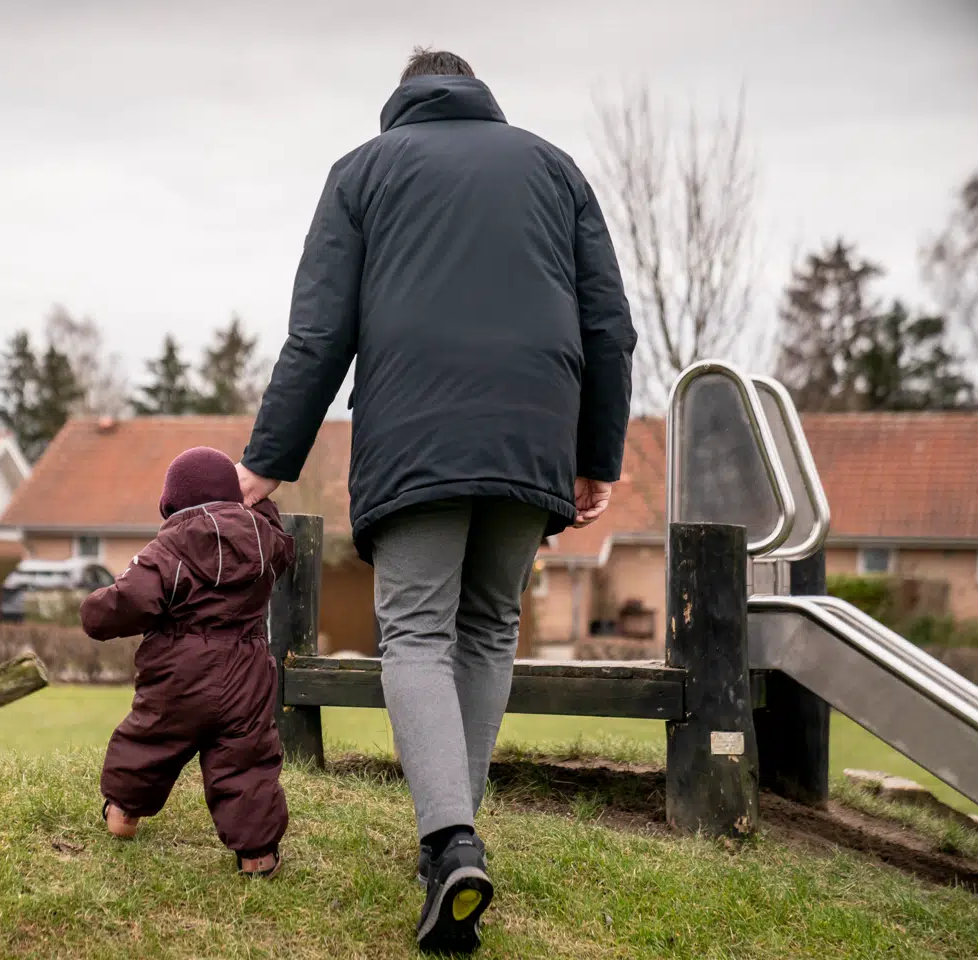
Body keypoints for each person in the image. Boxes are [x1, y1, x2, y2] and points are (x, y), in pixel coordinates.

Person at [236, 48, 636, 953]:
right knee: (490, 627)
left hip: (416, 430)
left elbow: (320, 332)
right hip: (535, 428)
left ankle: (451, 843)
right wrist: (596, 455)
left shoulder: (363, 171)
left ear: (401, 100)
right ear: (478, 93)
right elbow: (609, 325)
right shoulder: (554, 168)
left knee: (416, 632)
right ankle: (455, 844)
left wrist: (266, 461)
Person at [80, 446, 296, 878]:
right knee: (246, 760)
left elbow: (129, 600)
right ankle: (257, 856)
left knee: (149, 742)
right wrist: (259, 504)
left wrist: (93, 612)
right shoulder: (264, 540)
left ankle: (122, 815)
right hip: (247, 674)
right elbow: (282, 544)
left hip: (179, 674)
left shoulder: (169, 548)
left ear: (172, 503)